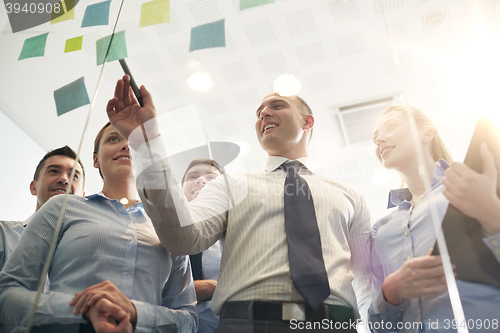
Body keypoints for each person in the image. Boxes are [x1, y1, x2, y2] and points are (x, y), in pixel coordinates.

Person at [101, 75, 372, 332]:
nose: (264, 114)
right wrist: (145, 142)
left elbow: (367, 276)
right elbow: (183, 237)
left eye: (277, 106)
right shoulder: (230, 185)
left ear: (307, 121)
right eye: (259, 112)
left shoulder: (349, 195)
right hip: (246, 323)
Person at [0, 122, 197, 333]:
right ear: (95, 159)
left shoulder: (168, 226)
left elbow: (190, 319)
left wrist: (136, 312)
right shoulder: (61, 207)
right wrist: (82, 311)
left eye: (136, 143)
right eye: (114, 139)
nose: (126, 146)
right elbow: (7, 293)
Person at [369, 105, 500, 332]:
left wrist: (491, 213)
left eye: (390, 127)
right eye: (375, 138)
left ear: (427, 133)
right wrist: (390, 290)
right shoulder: (381, 230)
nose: (379, 139)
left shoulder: (472, 186)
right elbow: (378, 327)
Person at [0, 145, 85, 271]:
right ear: (33, 187)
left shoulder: (89, 255)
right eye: (53, 171)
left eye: (74, 176)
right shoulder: (3, 234)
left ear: (83, 198)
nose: (64, 179)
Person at [182, 159, 224, 333]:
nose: (200, 180)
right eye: (192, 176)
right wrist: (207, 288)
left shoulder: (236, 233)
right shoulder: (159, 232)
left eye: (211, 177)